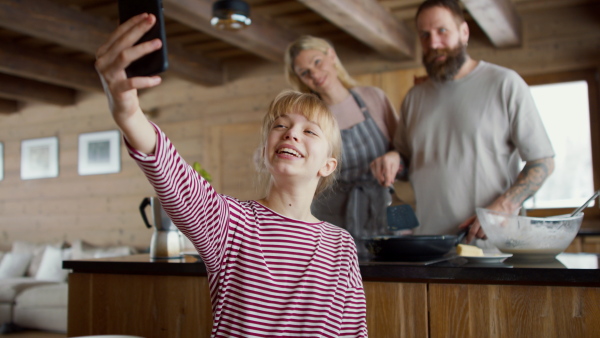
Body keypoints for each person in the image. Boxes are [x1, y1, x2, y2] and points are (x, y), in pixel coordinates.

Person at [95, 13, 368, 337]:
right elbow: (175, 175)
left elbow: (354, 332)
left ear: (328, 165)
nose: (291, 133)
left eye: (309, 131)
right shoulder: (230, 222)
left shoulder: (341, 246)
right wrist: (128, 113)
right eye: (280, 125)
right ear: (266, 151)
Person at [393, 0, 555, 245]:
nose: (433, 43)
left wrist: (503, 206)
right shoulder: (414, 98)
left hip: (494, 248)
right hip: (428, 249)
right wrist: (394, 160)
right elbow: (405, 166)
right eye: (424, 35)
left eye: (442, 31)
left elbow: (543, 162)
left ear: (464, 32)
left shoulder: (505, 83)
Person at [284, 35, 403, 257]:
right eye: (305, 72)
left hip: (384, 212)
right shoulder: (308, 116)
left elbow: (405, 151)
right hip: (333, 220)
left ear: (331, 56)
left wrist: (395, 156)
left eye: (317, 62)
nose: (315, 74)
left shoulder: (373, 98)